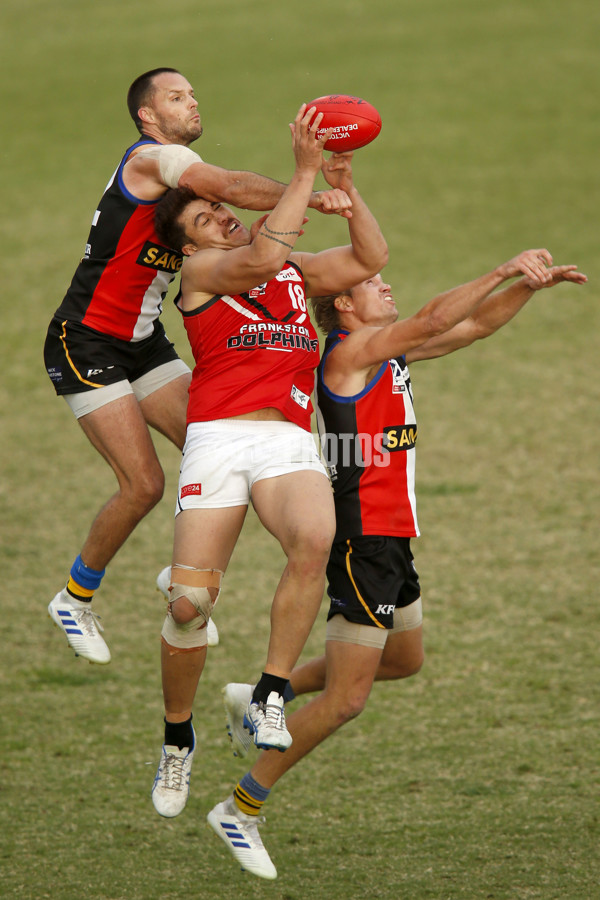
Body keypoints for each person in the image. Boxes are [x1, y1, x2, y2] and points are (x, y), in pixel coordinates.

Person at [209, 252, 587, 879]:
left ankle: (259, 697)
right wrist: (497, 269)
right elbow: (438, 315)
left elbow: (471, 327)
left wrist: (528, 287)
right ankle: (240, 807)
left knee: (404, 660)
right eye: (370, 284)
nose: (385, 282)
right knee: (347, 699)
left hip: (393, 540)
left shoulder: (388, 354)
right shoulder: (349, 356)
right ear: (346, 307)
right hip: (362, 545)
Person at [44, 67, 351, 665]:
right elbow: (233, 183)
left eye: (192, 94)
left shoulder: (182, 177)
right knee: (145, 485)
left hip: (143, 342)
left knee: (213, 438)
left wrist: (301, 195)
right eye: (176, 96)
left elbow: (229, 194)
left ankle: (182, 579)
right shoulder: (153, 160)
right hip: (86, 343)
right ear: (148, 117)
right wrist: (307, 190)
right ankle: (75, 596)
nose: (191, 102)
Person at [148, 105, 388, 821]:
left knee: (314, 539)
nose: (220, 220)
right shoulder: (201, 273)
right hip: (219, 438)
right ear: (185, 245)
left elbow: (370, 259)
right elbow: (256, 257)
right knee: (189, 606)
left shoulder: (295, 270)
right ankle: (177, 736)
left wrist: (349, 186)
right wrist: (305, 170)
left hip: (285, 439)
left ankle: (272, 693)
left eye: (220, 211)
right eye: (203, 219)